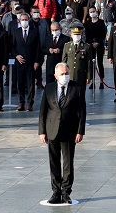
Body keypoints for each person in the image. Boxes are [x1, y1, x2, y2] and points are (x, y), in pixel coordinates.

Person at [38, 62, 86, 205]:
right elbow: (43, 111)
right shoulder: (49, 88)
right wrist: (42, 131)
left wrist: (80, 131)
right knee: (54, 163)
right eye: (62, 74)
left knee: (68, 163)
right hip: (52, 130)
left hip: (69, 130)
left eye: (67, 74)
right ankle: (55, 192)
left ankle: (66, 192)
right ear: (55, 76)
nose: (65, 76)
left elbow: (82, 112)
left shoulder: (76, 88)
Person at [11, 12, 40, 111]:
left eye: (26, 20)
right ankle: (21, 102)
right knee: (20, 83)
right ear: (19, 21)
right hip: (20, 62)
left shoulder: (34, 31)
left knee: (31, 83)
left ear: (29, 20)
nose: (24, 21)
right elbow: (12, 47)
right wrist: (16, 56)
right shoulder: (16, 32)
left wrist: (36, 61)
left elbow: (37, 47)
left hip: (31, 62)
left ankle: (30, 103)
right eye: (22, 20)